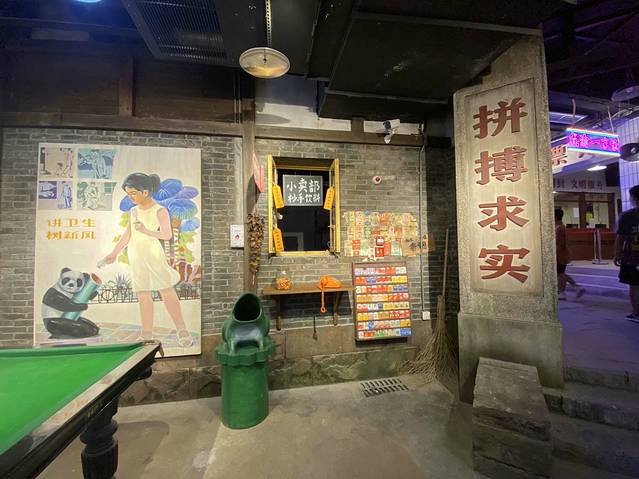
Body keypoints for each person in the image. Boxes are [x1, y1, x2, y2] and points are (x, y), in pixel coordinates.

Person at [103, 172, 193, 346]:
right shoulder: (133, 211)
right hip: (136, 255)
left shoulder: (160, 210)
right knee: (143, 294)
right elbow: (128, 234)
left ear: (145, 192)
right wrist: (114, 253)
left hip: (153, 254)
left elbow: (166, 235)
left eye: (133, 193)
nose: (130, 197)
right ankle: (146, 333)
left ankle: (182, 329)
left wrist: (146, 231)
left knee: (166, 290)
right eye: (128, 194)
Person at [614, 184, 639, 323]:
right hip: (632, 258)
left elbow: (620, 238)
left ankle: (636, 313)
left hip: (632, 258)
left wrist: (617, 254)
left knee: (634, 286)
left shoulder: (627, 216)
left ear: (634, 198)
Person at [555, 208, 585, 300]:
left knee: (560, 274)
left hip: (560, 254)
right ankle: (576, 287)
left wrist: (555, 254)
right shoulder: (559, 227)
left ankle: (563, 292)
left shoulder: (560, 228)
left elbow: (560, 244)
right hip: (560, 254)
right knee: (560, 273)